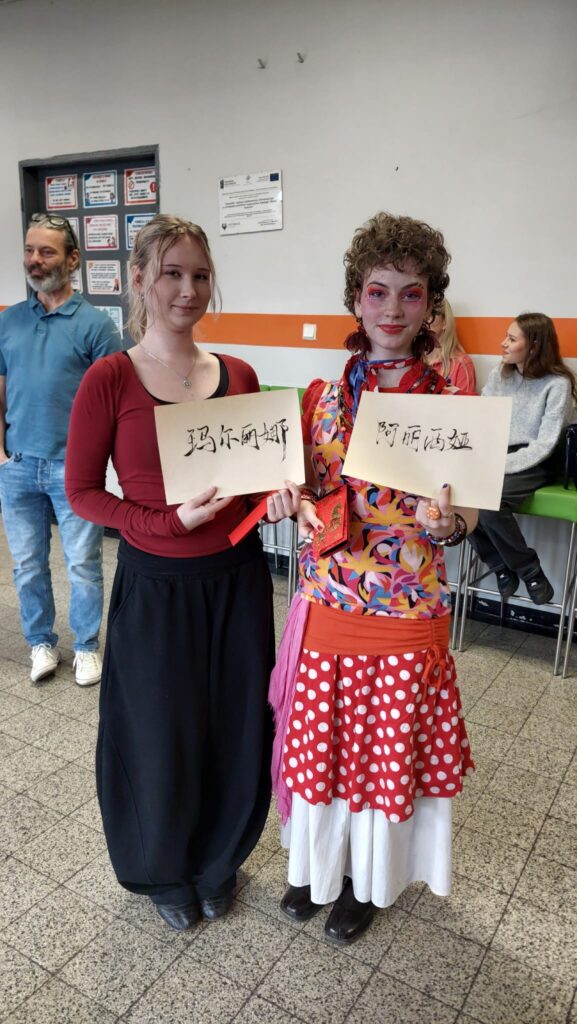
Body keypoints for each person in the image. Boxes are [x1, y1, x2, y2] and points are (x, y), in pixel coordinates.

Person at [65, 214, 299, 931]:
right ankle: (164, 869)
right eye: (172, 273)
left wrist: (279, 499)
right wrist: (167, 524)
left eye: (200, 275)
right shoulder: (110, 378)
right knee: (157, 733)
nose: (188, 289)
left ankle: (220, 860)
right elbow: (83, 492)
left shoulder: (239, 375)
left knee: (235, 724)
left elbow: (254, 486)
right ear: (139, 279)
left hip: (236, 581)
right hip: (156, 587)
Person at [269, 211, 478, 946]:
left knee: (387, 752)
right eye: (378, 291)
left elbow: (468, 516)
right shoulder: (320, 398)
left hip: (407, 611)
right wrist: (287, 501)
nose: (392, 309)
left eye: (411, 293)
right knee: (321, 746)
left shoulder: (452, 407)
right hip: (328, 602)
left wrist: (447, 526)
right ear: (355, 298)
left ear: (431, 304)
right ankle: (316, 869)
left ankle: (367, 881)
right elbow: (297, 489)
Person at [0, 213, 122, 686]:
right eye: (30, 250)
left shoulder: (96, 326)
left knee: (83, 564)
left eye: (46, 252)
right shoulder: (9, 321)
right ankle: (41, 643)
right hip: (17, 465)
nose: (35, 260)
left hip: (74, 469)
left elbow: (114, 403)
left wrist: (100, 462)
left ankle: (87, 646)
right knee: (27, 565)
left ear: (73, 260)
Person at [468, 313, 576, 604]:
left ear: (534, 345)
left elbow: (545, 444)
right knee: (460, 495)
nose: (503, 343)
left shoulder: (558, 384)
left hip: (537, 460)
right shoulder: (499, 374)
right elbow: (483, 420)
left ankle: (530, 571)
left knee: (488, 503)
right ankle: (499, 566)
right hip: (497, 454)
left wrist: (501, 465)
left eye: (512, 339)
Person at [427, 299, 477, 394]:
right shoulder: (411, 360)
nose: (424, 319)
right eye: (421, 313)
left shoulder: (461, 364)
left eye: (431, 313)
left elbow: (466, 403)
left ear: (445, 322)